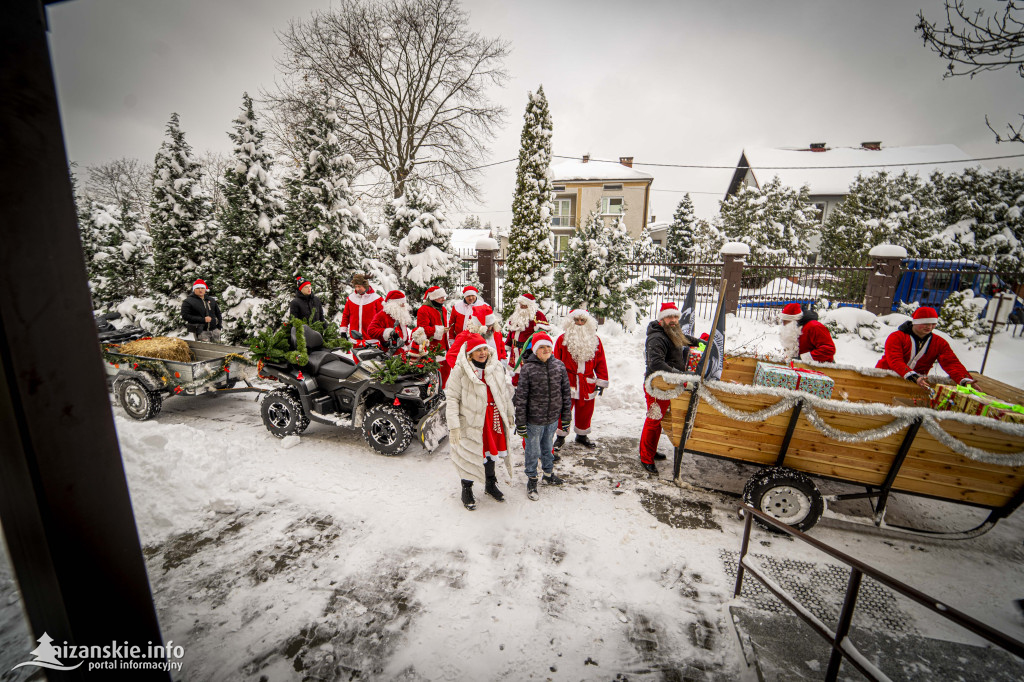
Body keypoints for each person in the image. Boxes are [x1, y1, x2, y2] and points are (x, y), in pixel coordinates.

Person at [445, 334, 516, 511]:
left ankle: (490, 484)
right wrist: (454, 426)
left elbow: (503, 393)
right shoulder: (460, 370)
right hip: (471, 421)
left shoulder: (496, 367)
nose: (483, 352)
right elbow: (452, 398)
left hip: (493, 419)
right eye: (478, 350)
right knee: (470, 454)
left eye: (484, 348)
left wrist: (508, 413)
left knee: (490, 453)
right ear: (470, 353)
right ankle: (466, 489)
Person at [640, 302, 701, 475]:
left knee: (657, 421)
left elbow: (684, 339)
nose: (673, 320)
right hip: (657, 386)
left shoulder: (671, 331)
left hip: (667, 384)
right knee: (653, 421)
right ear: (662, 319)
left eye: (675, 316)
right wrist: (680, 375)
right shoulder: (657, 337)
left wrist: (701, 342)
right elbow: (656, 362)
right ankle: (646, 458)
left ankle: (650, 450)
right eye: (669, 317)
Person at [513, 332, 571, 501]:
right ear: (535, 350)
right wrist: (521, 422)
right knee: (532, 451)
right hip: (533, 421)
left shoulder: (559, 366)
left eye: (548, 347)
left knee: (548, 448)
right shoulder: (528, 369)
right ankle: (532, 479)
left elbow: (565, 394)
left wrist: (565, 417)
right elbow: (521, 398)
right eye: (542, 347)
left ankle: (548, 473)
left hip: (552, 419)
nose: (546, 350)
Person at [876, 306, 974, 389]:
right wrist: (913, 376)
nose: (930, 327)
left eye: (933, 324)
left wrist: (964, 379)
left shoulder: (939, 343)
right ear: (915, 322)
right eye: (926, 323)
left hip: (916, 383)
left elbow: (951, 363)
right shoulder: (897, 337)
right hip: (885, 377)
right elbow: (895, 360)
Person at [553, 308, 609, 451]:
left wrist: (602, 380)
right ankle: (561, 436)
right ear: (571, 322)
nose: (579, 323)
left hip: (587, 381)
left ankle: (582, 435)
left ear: (587, 322)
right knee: (564, 409)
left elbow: (601, 361)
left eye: (582, 320)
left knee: (586, 410)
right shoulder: (562, 340)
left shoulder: (595, 340)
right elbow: (556, 362)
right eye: (576, 320)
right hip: (568, 381)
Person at [504, 292, 551, 385]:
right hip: (515, 350)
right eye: (520, 304)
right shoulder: (516, 315)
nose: (521, 306)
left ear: (530, 305)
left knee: (529, 375)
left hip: (528, 351)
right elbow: (511, 332)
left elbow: (542, 335)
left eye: (524, 305)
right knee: (515, 375)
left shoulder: (538, 316)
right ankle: (517, 393)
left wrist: (534, 348)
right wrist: (507, 346)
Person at [416, 286, 450, 383]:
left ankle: (441, 389)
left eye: (444, 297)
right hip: (432, 346)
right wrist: (440, 330)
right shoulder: (423, 310)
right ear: (433, 298)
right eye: (440, 297)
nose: (443, 299)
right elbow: (422, 329)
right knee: (435, 372)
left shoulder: (443, 309)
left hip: (443, 345)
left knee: (445, 370)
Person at [340, 273, 382, 341]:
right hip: (355, 340)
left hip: (372, 340)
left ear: (365, 286)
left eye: (359, 286)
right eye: (356, 286)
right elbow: (346, 315)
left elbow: (383, 318)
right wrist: (343, 331)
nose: (357, 289)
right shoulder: (351, 299)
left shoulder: (376, 299)